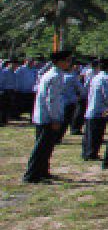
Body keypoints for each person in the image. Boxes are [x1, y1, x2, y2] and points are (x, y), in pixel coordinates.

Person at [23, 50, 72, 183]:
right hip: (48, 117)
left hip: (44, 116)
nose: (69, 63)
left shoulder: (52, 74)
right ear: (59, 62)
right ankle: (32, 175)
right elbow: (52, 100)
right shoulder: (55, 76)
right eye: (67, 60)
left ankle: (42, 171)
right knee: (42, 148)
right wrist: (55, 118)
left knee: (46, 147)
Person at [82, 59, 108, 161]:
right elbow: (107, 95)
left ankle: (86, 152)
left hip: (92, 107)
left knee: (89, 133)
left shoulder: (96, 77)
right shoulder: (105, 78)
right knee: (96, 134)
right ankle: (91, 153)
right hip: (99, 109)